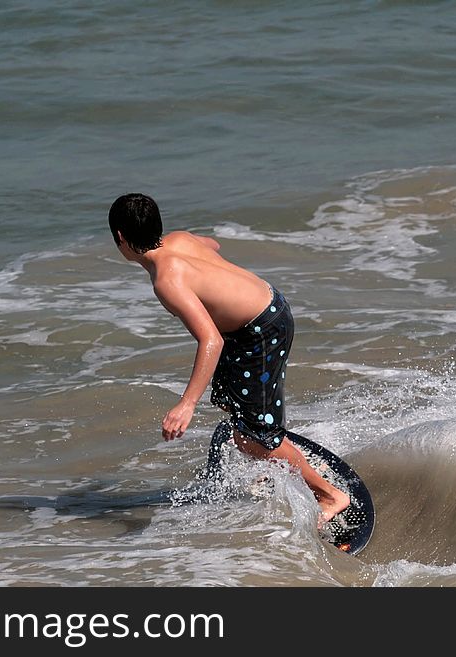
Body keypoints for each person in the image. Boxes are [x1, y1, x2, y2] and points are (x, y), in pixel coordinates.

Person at [108, 193, 350, 524]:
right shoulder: (178, 240)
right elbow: (213, 245)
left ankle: (330, 495)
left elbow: (211, 340)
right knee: (231, 400)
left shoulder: (167, 279)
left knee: (252, 438)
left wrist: (186, 403)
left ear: (120, 237)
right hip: (263, 310)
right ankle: (268, 452)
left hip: (261, 331)